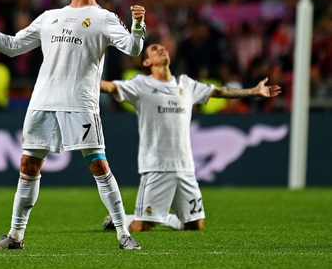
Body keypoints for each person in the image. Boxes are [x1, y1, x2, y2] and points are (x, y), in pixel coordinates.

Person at [0, 0, 146, 250]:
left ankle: (124, 233)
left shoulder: (104, 18)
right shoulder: (49, 16)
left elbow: (133, 48)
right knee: (28, 164)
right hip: (42, 101)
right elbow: (12, 46)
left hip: (80, 103)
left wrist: (138, 25)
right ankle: (15, 236)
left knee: (99, 165)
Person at [100, 43, 281, 232]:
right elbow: (109, 87)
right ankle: (122, 219)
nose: (161, 49)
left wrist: (253, 91)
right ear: (146, 61)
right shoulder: (140, 85)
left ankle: (168, 219)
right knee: (142, 226)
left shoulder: (186, 84)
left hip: (185, 166)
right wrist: (80, 81)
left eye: (162, 48)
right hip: (157, 166)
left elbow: (219, 91)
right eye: (154, 49)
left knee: (195, 226)